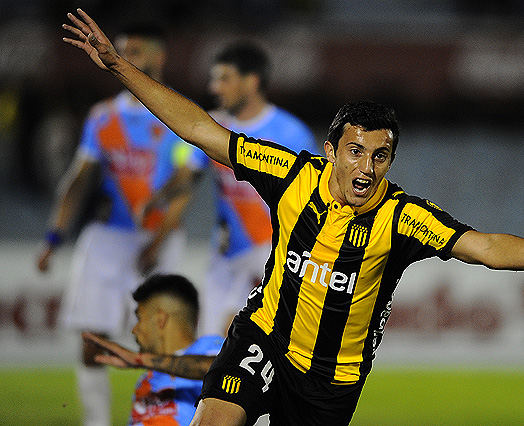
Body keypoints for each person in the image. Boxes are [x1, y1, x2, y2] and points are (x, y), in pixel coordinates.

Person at [62, 10, 524, 426]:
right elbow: (202, 131)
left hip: (330, 383)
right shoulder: (290, 172)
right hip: (263, 340)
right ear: (331, 150)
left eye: (380, 156)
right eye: (356, 151)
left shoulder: (402, 217)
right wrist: (118, 67)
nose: (366, 168)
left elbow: (483, 247)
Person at [39, 19, 201, 426]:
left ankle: (165, 419)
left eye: (134, 52)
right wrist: (53, 237)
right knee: (91, 341)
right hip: (109, 237)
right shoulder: (103, 117)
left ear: (158, 56)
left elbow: (185, 182)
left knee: (167, 344)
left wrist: (158, 240)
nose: (123, 58)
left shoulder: (178, 115)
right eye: (122, 50)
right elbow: (78, 180)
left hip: (161, 240)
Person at [192, 41, 317, 336]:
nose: (215, 88)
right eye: (213, 79)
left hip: (271, 255)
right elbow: (186, 175)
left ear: (251, 82)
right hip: (224, 257)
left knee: (238, 344)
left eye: (224, 78)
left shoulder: (291, 133)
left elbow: (312, 202)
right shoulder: (215, 127)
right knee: (208, 351)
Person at [83, 273, 225, 426]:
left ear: (160, 319)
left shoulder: (211, 347)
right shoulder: (147, 380)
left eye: (139, 318)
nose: (134, 330)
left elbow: (225, 371)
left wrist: (141, 359)